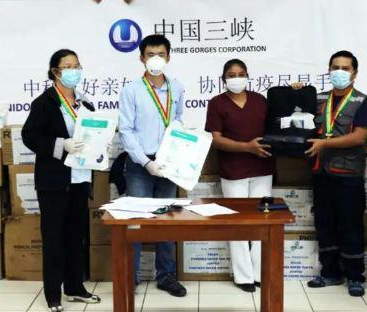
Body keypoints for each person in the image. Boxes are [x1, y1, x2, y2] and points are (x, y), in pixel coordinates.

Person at [22, 49, 101, 312]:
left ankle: (75, 287)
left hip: (80, 178)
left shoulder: (84, 102)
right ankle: (53, 295)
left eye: (77, 66)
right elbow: (30, 136)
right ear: (55, 71)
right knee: (54, 239)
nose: (73, 71)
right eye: (68, 66)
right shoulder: (44, 103)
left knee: (76, 237)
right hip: (54, 181)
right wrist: (60, 145)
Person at [295, 51, 367, 297]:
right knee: (324, 223)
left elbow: (359, 137)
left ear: (354, 73)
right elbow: (293, 113)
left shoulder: (363, 102)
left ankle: (355, 277)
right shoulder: (318, 98)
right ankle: (330, 272)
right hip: (322, 173)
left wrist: (325, 144)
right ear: (329, 70)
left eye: (345, 68)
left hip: (349, 175)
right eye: (335, 67)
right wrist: (296, 93)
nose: (339, 72)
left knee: (350, 225)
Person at [118, 34, 187, 297]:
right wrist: (146, 162)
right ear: (141, 58)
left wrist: (177, 149)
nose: (155, 59)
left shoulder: (177, 88)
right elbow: (126, 131)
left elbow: (178, 119)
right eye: (150, 54)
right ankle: (130, 277)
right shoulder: (131, 90)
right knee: (136, 221)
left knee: (166, 221)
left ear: (168, 57)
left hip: (168, 164)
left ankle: (166, 276)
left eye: (160, 54)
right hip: (140, 165)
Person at [204, 59, 274, 293]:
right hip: (233, 170)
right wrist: (247, 147)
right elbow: (216, 139)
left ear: (248, 75)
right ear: (224, 78)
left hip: (262, 168)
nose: (237, 78)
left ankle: (259, 272)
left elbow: (281, 121)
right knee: (238, 223)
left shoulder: (260, 100)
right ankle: (243, 276)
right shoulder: (217, 103)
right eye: (231, 75)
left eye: (241, 74)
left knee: (262, 221)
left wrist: (296, 91)